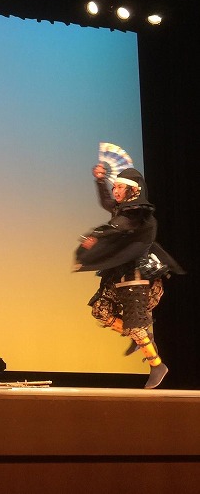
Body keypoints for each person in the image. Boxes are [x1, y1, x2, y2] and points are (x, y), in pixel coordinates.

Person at [74, 164, 183, 389]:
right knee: (101, 311)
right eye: (114, 187)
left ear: (133, 190)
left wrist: (96, 236)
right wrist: (100, 180)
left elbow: (119, 225)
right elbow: (108, 204)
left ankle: (157, 364)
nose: (115, 191)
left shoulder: (138, 212)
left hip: (138, 277)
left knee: (135, 325)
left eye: (119, 187)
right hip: (121, 274)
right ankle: (140, 336)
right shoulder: (123, 209)